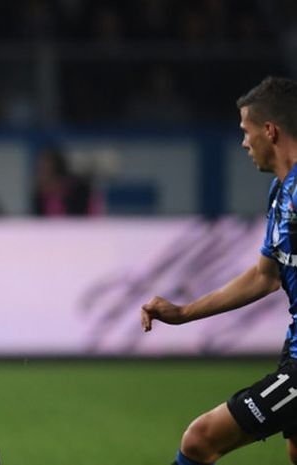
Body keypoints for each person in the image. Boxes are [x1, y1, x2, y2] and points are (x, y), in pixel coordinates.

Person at [141, 76, 297, 465]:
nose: (244, 143)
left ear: (270, 131)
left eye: (246, 132)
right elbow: (266, 275)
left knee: (199, 440)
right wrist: (183, 313)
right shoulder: (281, 193)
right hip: (293, 348)